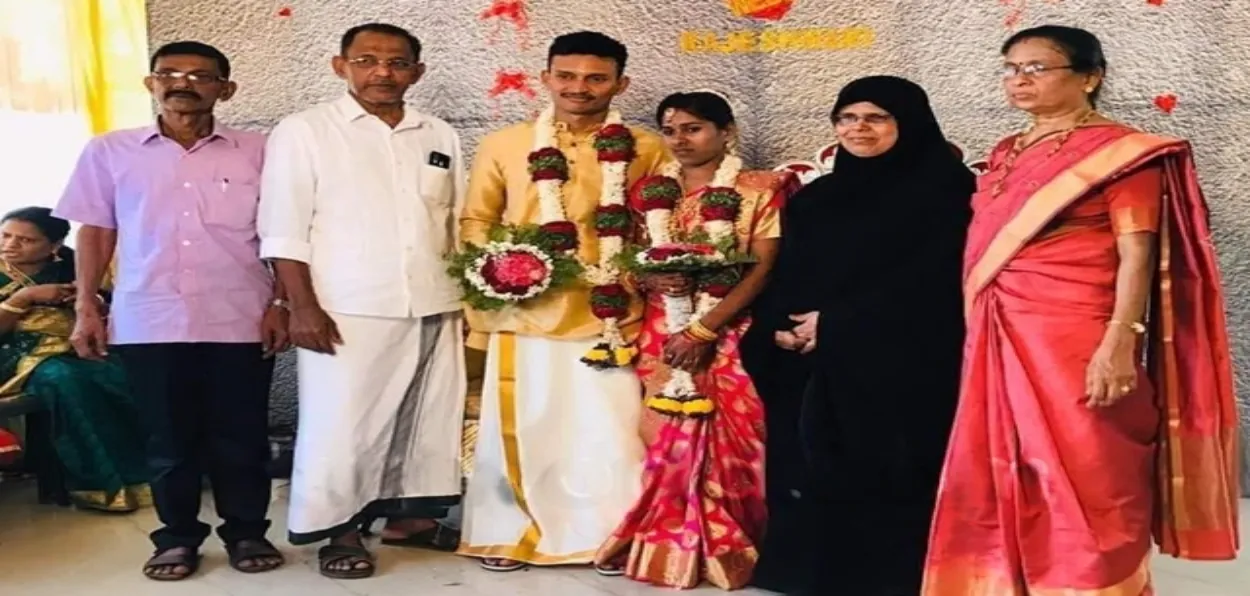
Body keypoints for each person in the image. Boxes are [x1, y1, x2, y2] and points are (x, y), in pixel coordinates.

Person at [923, 26, 1239, 595]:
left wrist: (1121, 341)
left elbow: (1135, 250)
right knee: (1003, 461)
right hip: (998, 327)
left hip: (1077, 333)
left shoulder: (1122, 154)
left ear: (1091, 77)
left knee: (1093, 469)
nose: (1020, 79)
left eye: (1038, 68)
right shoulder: (1005, 151)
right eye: (1012, 67)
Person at [55, 41, 287, 581]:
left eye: (201, 75)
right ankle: (177, 538)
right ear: (151, 83)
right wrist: (87, 306)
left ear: (225, 90)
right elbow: (96, 231)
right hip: (148, 318)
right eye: (170, 73)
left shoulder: (260, 151)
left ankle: (247, 531)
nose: (183, 83)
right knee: (167, 437)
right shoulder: (110, 151)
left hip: (241, 315)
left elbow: (283, 231)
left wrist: (282, 301)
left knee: (242, 434)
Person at [745, 76, 974, 595]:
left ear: (908, 122)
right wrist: (781, 327)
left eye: (876, 117)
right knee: (808, 460)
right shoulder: (818, 197)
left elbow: (939, 277)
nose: (859, 128)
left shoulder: (947, 190)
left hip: (902, 359)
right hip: (812, 356)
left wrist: (840, 323)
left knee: (888, 468)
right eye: (847, 117)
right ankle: (806, 572)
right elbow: (787, 272)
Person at [259, 23, 467, 579]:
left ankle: (409, 519)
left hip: (432, 298)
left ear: (417, 72)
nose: (383, 73)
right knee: (342, 425)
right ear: (340, 66)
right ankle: (339, 530)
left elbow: (454, 223)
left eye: (398, 63)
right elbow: (282, 227)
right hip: (344, 304)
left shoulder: (439, 133)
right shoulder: (305, 131)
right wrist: (300, 306)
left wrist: (468, 301)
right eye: (367, 60)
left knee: (426, 416)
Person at [456, 31, 667, 572]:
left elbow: (661, 225)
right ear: (546, 78)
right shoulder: (504, 144)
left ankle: (608, 536)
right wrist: (501, 272)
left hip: (611, 313)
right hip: (526, 309)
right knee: (525, 426)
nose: (580, 88)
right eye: (567, 76)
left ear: (621, 83)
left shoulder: (647, 148)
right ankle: (510, 534)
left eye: (596, 77)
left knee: (610, 429)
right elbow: (477, 220)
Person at [593, 91, 798, 589]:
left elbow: (764, 268)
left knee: (739, 441)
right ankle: (668, 542)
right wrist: (655, 281)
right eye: (671, 130)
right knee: (664, 436)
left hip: (732, 331)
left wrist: (705, 329)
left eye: (694, 128)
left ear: (727, 132)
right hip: (662, 331)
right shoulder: (650, 191)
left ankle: (734, 546)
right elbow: (634, 260)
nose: (680, 140)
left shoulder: (758, 189)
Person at [0, 208, 151, 512]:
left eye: (26, 240)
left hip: (74, 348)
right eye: (5, 235)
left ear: (53, 246)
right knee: (66, 379)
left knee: (129, 374)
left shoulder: (72, 266)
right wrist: (24, 298)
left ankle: (153, 473)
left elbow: (109, 304)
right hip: (15, 357)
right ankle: (98, 482)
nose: (11, 245)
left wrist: (90, 301)